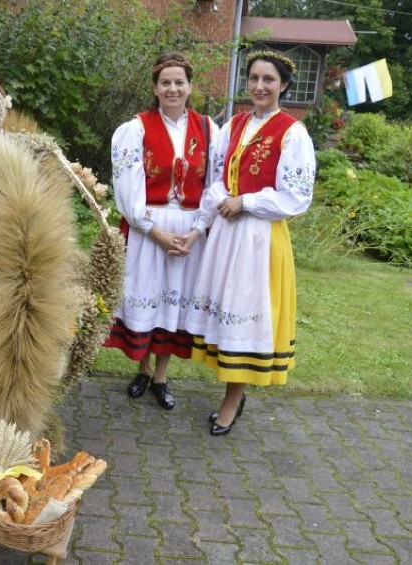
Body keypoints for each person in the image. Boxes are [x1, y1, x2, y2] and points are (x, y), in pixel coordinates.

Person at [184, 50, 315, 434]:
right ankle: (232, 391)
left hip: (259, 238)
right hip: (227, 234)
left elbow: (296, 196)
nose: (260, 86)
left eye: (268, 80)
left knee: (243, 315)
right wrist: (201, 223)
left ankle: (232, 399)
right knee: (226, 313)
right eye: (254, 78)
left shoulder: (293, 132)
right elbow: (215, 179)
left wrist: (246, 202)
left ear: (284, 85)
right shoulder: (234, 125)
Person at [104, 52, 218, 410]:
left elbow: (215, 185)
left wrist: (198, 231)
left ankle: (161, 376)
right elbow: (126, 188)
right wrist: (154, 232)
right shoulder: (135, 129)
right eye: (165, 82)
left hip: (189, 233)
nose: (173, 89)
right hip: (147, 229)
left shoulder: (208, 128)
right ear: (155, 88)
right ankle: (142, 367)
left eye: (179, 82)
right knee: (147, 297)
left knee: (176, 302)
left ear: (189, 86)